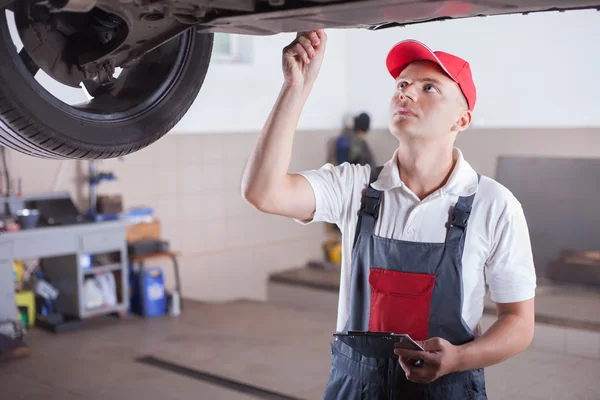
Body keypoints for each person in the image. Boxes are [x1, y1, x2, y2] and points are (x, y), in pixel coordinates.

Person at [241, 30, 536, 399]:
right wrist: (296, 87)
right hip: (355, 389)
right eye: (402, 83)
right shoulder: (356, 188)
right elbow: (263, 192)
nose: (406, 92)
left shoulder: (494, 204)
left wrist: (459, 358)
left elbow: (519, 322)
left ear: (461, 120)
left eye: (429, 87)